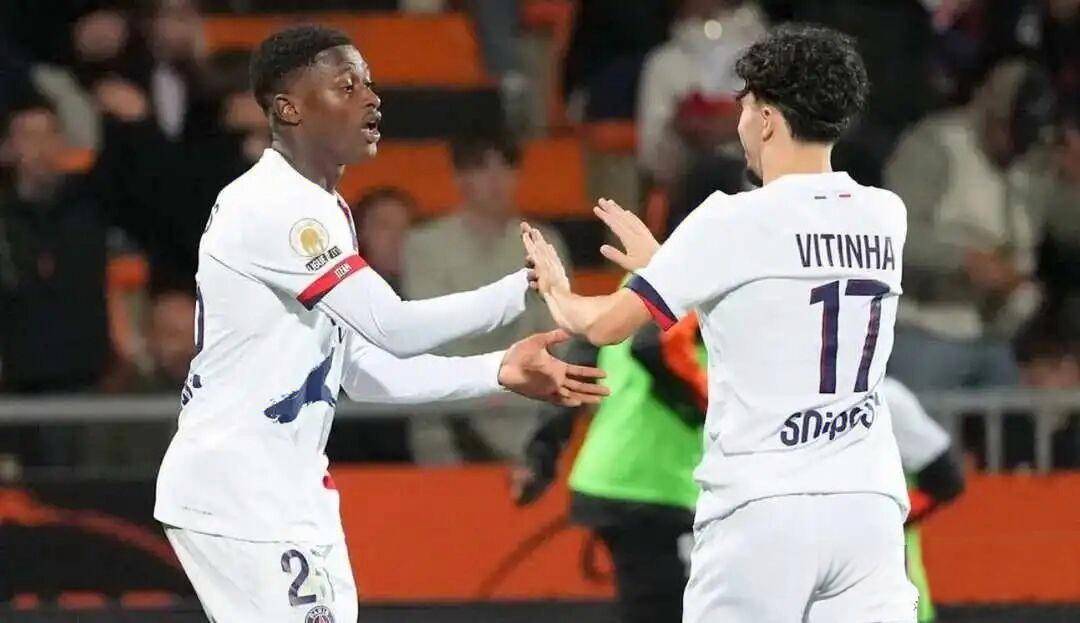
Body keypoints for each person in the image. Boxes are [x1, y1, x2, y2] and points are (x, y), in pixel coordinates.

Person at [153, 26, 609, 623]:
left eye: (368, 83)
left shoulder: (323, 207)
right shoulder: (275, 206)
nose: (371, 98)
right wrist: (520, 287)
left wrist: (497, 368)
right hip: (237, 487)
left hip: (287, 488)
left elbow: (366, 372)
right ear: (288, 108)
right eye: (346, 86)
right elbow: (392, 326)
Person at [523, 24, 916, 621]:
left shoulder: (730, 221)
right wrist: (671, 267)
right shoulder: (885, 215)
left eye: (745, 108)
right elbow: (782, 298)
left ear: (767, 118)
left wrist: (557, 291)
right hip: (868, 506)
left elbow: (602, 327)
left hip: (763, 507)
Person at [403, 133, 571, 464]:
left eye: (505, 167)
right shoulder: (423, 245)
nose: (496, 180)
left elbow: (558, 329)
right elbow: (433, 335)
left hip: (526, 406)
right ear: (459, 178)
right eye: (482, 168)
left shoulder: (544, 242)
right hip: (448, 416)